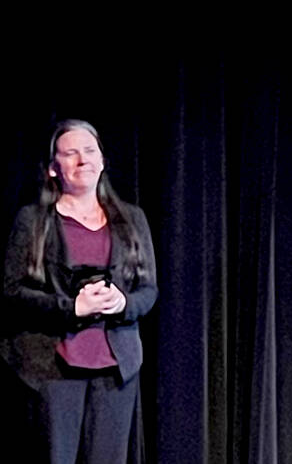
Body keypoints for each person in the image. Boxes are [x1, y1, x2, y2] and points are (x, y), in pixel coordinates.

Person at [0, 120, 158, 463]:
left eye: (89, 151)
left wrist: (123, 303)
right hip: (52, 371)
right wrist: (71, 307)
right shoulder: (33, 221)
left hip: (115, 370)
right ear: (54, 168)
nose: (82, 160)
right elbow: (11, 293)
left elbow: (148, 291)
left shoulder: (132, 220)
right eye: (71, 153)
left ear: (102, 161)